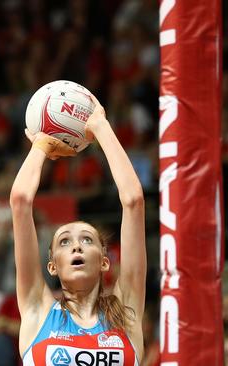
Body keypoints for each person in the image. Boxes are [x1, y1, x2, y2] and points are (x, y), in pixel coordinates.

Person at [9, 98, 145, 365]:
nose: (76, 246)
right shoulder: (38, 310)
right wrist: (41, 145)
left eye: (87, 239)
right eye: (64, 242)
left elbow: (133, 202)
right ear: (52, 267)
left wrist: (101, 128)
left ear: (104, 262)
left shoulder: (126, 310)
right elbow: (20, 202)